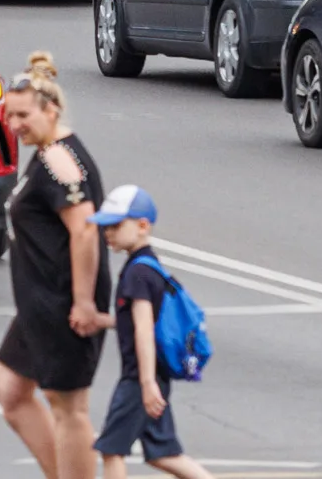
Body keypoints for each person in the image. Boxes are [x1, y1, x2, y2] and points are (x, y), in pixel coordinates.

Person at [0, 52, 110, 479]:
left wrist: (82, 302)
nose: (14, 124)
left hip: (62, 300)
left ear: (51, 109)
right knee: (10, 387)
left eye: (23, 115)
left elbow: (84, 231)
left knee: (69, 407)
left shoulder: (60, 160)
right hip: (38, 303)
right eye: (9, 116)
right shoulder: (46, 152)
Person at [92, 186, 214, 479]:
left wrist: (146, 384)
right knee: (164, 455)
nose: (108, 233)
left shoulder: (137, 274)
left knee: (112, 449)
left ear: (143, 226)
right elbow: (136, 321)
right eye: (105, 226)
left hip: (140, 380)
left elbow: (144, 330)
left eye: (116, 226)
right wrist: (103, 321)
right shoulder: (148, 267)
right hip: (151, 377)